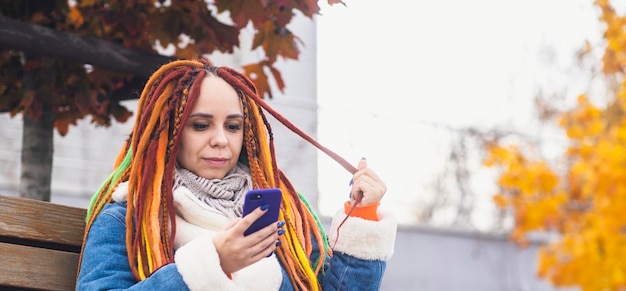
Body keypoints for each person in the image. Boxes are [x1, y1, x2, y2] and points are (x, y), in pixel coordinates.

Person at [76, 58, 397, 290]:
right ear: (170, 132)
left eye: (233, 126)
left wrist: (364, 215)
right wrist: (212, 264)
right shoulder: (127, 217)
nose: (221, 139)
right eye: (201, 125)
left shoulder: (283, 215)